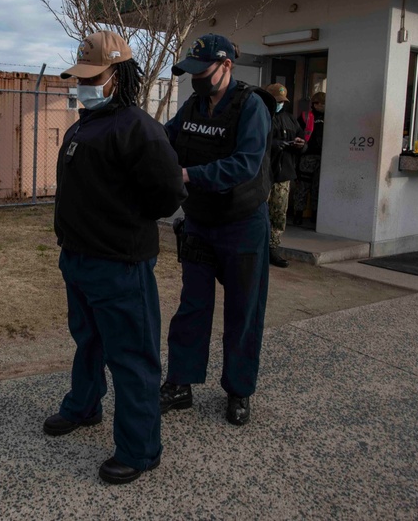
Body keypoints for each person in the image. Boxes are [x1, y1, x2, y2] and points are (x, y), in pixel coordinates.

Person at [44, 30, 187, 485]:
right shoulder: (83, 124)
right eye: (80, 77)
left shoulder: (139, 129)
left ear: (118, 76)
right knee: (88, 341)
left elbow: (168, 195)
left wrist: (121, 223)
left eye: (94, 76)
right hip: (79, 260)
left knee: (132, 357)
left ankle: (140, 449)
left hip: (121, 266)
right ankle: (84, 407)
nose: (83, 85)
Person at [160, 34, 275, 426]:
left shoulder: (251, 107)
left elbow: (245, 164)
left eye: (202, 71)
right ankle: (180, 383)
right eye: (191, 72)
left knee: (243, 310)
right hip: (199, 223)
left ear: (227, 66)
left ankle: (239, 390)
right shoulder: (193, 105)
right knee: (192, 306)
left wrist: (188, 174)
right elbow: (167, 139)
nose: (196, 79)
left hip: (242, 225)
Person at [264, 83, 306, 267]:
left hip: (283, 175)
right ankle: (257, 246)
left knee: (279, 214)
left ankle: (273, 248)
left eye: (282, 101)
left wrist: (300, 145)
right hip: (263, 175)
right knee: (259, 213)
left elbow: (303, 142)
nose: (280, 104)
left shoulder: (290, 119)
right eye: (277, 101)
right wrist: (273, 144)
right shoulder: (261, 117)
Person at [293, 91, 325, 227]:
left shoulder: (330, 117)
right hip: (307, 157)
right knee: (303, 187)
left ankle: (315, 216)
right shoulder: (306, 117)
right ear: (316, 104)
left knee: (317, 187)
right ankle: (297, 216)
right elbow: (298, 134)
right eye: (323, 104)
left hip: (323, 157)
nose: (325, 107)